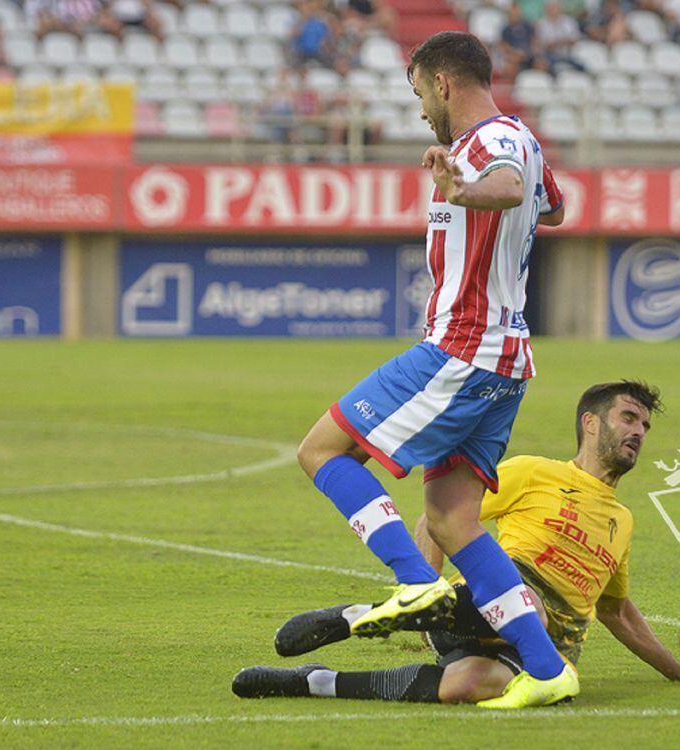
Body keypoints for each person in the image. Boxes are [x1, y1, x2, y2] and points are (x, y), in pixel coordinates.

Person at [289, 31, 571, 710]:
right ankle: (547, 668)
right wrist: (488, 195)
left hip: (462, 349)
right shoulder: (526, 140)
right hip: (505, 362)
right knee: (452, 519)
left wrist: (462, 189)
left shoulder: (487, 146)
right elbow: (553, 205)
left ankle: (414, 581)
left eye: (419, 92)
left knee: (322, 450)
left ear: (444, 84)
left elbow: (503, 189)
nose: (420, 110)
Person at [233, 382, 680, 704]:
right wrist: (426, 589)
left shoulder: (623, 521)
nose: (639, 432)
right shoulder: (532, 472)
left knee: (469, 687)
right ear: (591, 423)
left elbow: (617, 612)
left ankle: (315, 682)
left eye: (646, 426)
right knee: (532, 610)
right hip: (489, 603)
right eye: (628, 419)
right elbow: (436, 518)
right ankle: (359, 616)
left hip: (549, 650)